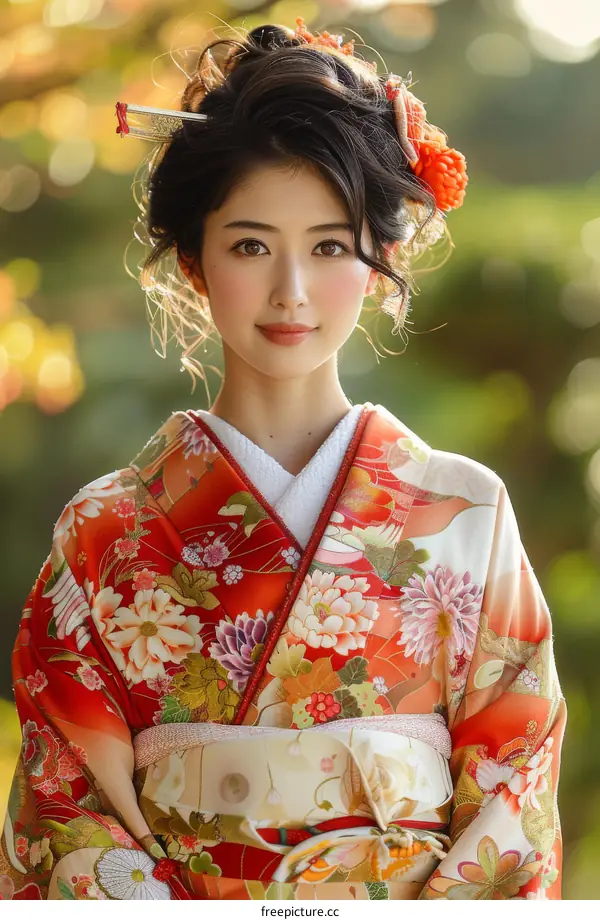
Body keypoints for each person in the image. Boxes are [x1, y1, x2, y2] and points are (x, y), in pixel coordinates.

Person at [0, 17, 565, 901]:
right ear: (193, 261)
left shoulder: (465, 510)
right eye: (252, 245)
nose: (291, 292)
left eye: (331, 247)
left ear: (378, 265)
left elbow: (513, 786)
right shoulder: (104, 531)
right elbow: (63, 809)